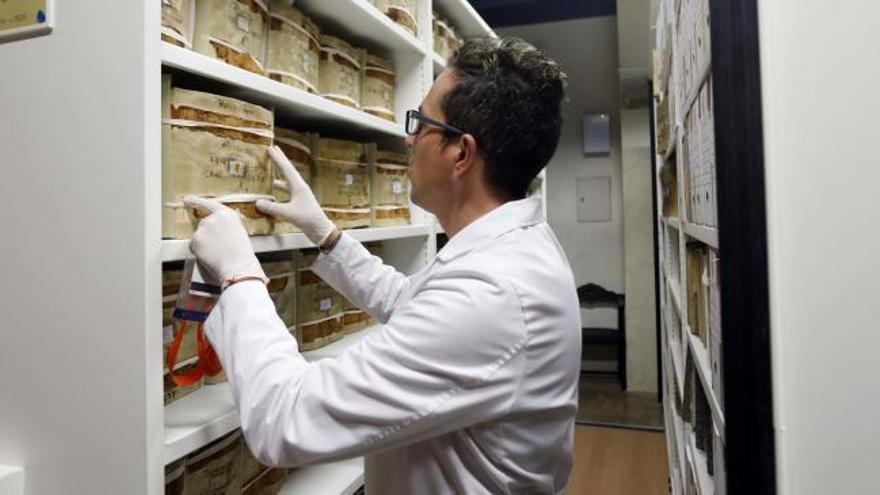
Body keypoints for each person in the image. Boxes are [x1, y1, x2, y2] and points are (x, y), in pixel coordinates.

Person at [184, 37, 580, 494]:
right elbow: (409, 304)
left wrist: (239, 275)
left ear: (461, 153)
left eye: (421, 122)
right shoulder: (507, 254)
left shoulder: (493, 293)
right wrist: (325, 234)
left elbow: (286, 419)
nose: (409, 138)